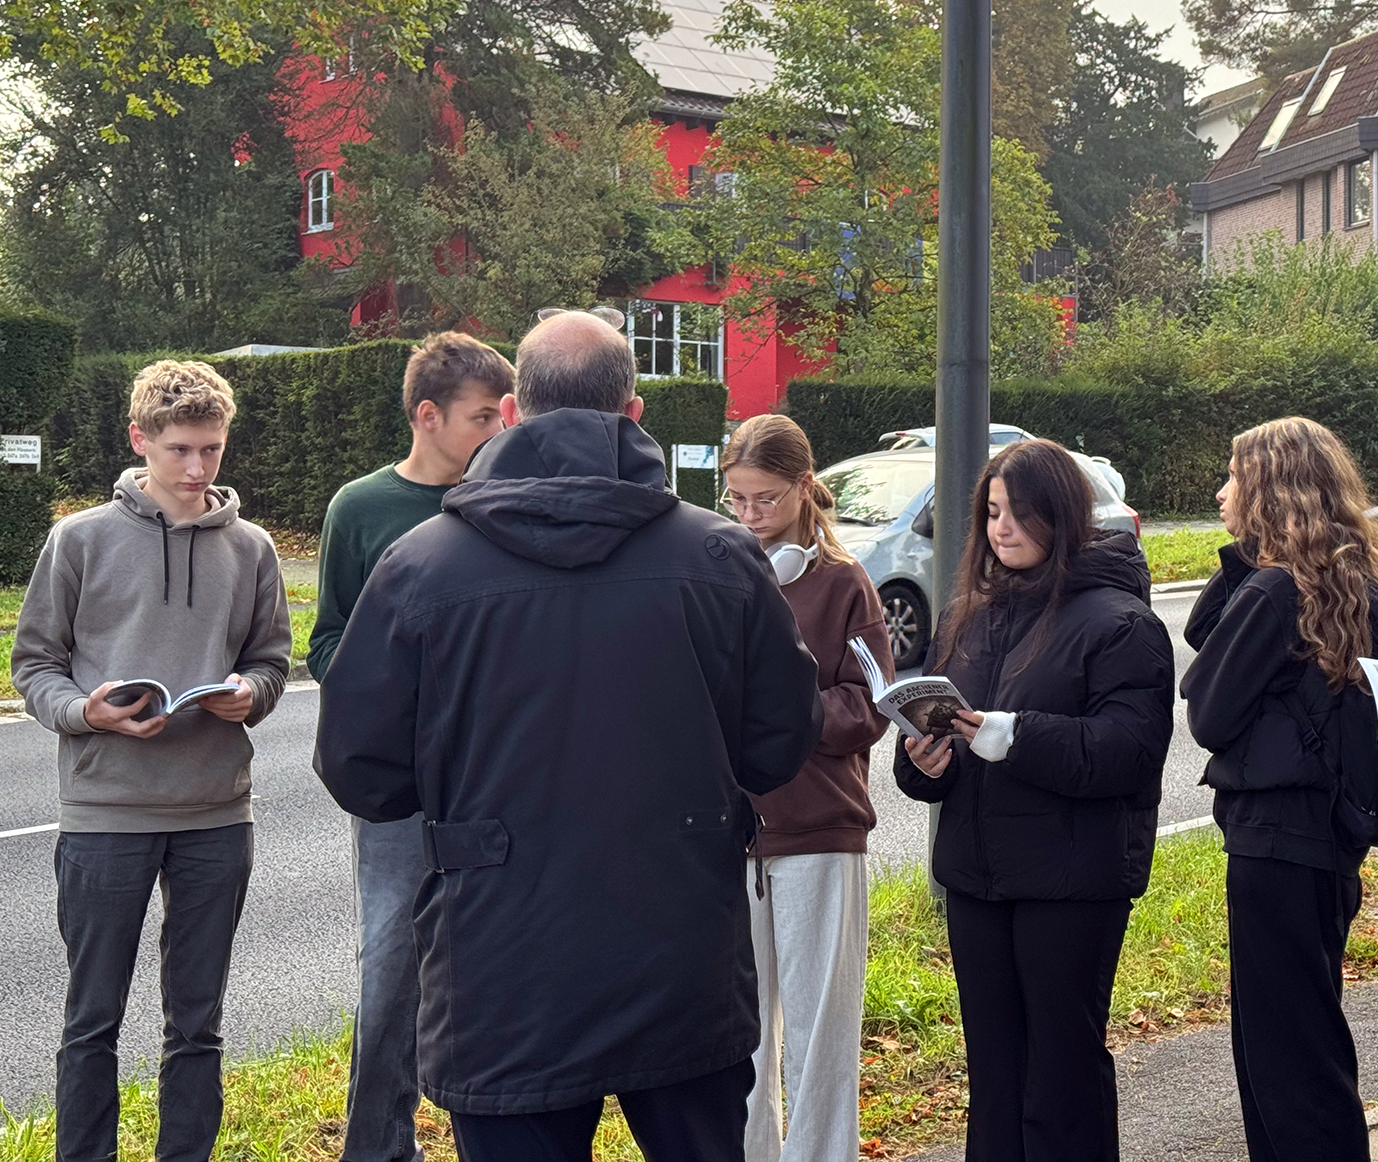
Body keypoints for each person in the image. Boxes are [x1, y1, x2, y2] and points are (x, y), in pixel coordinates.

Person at [313, 311, 822, 1162]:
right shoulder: (722, 558)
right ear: (634, 412)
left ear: (513, 413)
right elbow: (779, 741)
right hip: (680, 946)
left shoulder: (421, 565)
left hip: (502, 961)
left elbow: (360, 767)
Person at [11, 359, 292, 1162]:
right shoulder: (79, 540)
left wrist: (252, 692)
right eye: (179, 449)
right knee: (89, 1021)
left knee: (198, 1023)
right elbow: (34, 663)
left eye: (212, 448)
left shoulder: (254, 548)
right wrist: (82, 710)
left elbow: (273, 658)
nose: (198, 468)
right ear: (139, 440)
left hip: (215, 813)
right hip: (106, 813)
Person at [893, 439, 1174, 1162]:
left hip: (1069, 883)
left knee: (1061, 1073)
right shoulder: (968, 614)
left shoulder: (1120, 621)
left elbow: (1129, 752)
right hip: (978, 880)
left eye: (1019, 513)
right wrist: (925, 761)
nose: (1001, 528)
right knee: (993, 1075)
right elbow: (934, 754)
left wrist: (1014, 736)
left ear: (1062, 515)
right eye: (991, 512)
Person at [1182, 417, 1378, 1161]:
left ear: (1267, 489)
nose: (1222, 489)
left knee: (1279, 1059)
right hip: (1331, 842)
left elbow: (1207, 710)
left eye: (1234, 476)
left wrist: (1254, 568)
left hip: (1271, 846)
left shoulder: (1274, 592)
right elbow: (1207, 629)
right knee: (1312, 1044)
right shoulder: (1367, 589)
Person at [308, 332, 514, 1162]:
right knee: (391, 960)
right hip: (399, 785)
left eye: (502, 417)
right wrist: (398, 693)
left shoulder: (506, 500)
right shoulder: (360, 509)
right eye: (478, 419)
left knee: (492, 964)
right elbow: (325, 644)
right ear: (427, 416)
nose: (494, 435)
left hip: (494, 777)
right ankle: (377, 1146)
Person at [718, 414, 894, 1162]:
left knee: (823, 1035)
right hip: (730, 838)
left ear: (801, 486)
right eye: (737, 500)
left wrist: (782, 714)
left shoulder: (844, 583)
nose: (750, 515)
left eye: (763, 499)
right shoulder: (718, 569)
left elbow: (873, 706)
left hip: (821, 830)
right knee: (738, 1036)